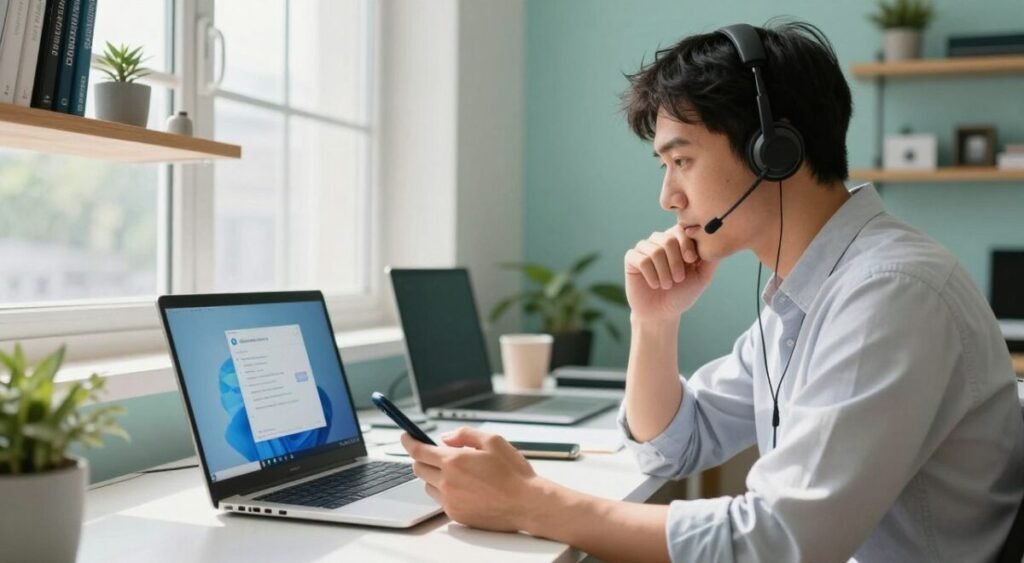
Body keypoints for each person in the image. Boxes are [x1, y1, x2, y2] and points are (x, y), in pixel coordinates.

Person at [401, 21, 1024, 562]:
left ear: (773, 150)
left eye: (683, 161)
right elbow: (673, 448)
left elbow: (777, 544)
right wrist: (655, 322)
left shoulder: (890, 294)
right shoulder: (810, 290)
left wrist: (530, 503)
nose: (667, 198)